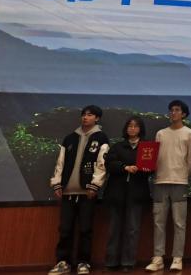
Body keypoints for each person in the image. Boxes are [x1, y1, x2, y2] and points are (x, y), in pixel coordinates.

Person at [48, 105, 109, 275]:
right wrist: (57, 183)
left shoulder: (101, 138)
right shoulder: (70, 138)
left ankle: (84, 262)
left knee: (85, 229)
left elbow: (102, 164)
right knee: (65, 229)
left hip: (87, 193)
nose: (85, 117)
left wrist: (95, 185)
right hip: (68, 192)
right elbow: (60, 163)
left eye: (90, 115)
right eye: (83, 114)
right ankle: (63, 262)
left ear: (97, 118)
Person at [145, 100, 191, 273]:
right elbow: (153, 157)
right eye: (171, 110)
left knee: (179, 222)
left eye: (177, 110)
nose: (173, 112)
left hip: (180, 183)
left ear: (184, 114)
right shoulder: (161, 133)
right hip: (160, 182)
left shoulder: (189, 133)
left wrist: (184, 176)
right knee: (158, 221)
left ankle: (177, 258)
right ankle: (158, 257)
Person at [103, 116, 151, 272]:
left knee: (133, 229)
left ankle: (128, 262)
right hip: (116, 193)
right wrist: (125, 167)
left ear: (140, 129)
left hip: (137, 193)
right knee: (114, 228)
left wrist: (141, 168)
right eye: (130, 126)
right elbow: (109, 164)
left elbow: (151, 168)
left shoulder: (147, 147)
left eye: (136, 126)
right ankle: (111, 262)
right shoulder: (118, 146)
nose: (132, 128)